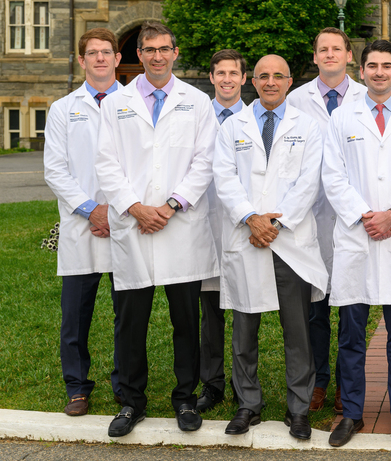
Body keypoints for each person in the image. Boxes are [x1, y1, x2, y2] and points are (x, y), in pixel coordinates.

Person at [95, 20, 218, 437]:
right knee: (130, 322)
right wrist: (135, 208)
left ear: (175, 52)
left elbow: (205, 162)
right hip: (134, 227)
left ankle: (185, 398)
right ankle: (131, 401)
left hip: (179, 226)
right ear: (139, 55)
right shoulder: (116, 103)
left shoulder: (197, 101)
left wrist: (168, 206)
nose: (158, 56)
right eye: (150, 49)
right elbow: (106, 162)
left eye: (165, 48)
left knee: (186, 322)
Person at [212, 54, 328, 441]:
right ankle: (248, 404)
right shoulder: (233, 127)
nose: (271, 82)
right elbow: (224, 177)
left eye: (278, 76)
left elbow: (310, 181)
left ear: (290, 81)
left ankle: (298, 409)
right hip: (248, 237)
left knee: (297, 332)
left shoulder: (308, 127)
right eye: (263, 76)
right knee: (244, 330)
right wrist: (251, 218)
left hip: (288, 240)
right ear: (253, 81)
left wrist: (275, 224)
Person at [321, 39, 391, 448]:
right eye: (372, 66)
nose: (380, 72)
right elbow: (332, 175)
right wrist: (365, 215)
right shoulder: (341, 117)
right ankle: (351, 413)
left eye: (387, 65)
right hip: (357, 236)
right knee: (351, 335)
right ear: (361, 71)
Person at [286, 27, 367, 415]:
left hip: (355, 218)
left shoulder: (369, 98)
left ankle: (346, 385)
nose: (330, 54)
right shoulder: (295, 100)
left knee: (352, 309)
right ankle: (318, 381)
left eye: (337, 48)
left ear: (349, 55)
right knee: (314, 309)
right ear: (315, 56)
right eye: (323, 49)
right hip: (311, 219)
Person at [43, 27, 123, 417]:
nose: (100, 58)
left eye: (107, 52)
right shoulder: (63, 108)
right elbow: (55, 171)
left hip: (125, 222)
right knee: (75, 317)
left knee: (127, 313)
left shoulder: (133, 104)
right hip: (81, 225)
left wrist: (114, 209)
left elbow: (141, 165)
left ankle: (126, 383)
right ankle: (77, 387)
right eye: (92, 53)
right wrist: (92, 209)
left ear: (118, 58)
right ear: (82, 60)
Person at [196, 48, 248, 414]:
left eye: (234, 73)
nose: (227, 79)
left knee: (246, 309)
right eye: (221, 73)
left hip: (243, 227)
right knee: (210, 312)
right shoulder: (198, 117)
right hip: (203, 225)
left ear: (244, 79)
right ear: (211, 78)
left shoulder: (256, 119)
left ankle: (243, 383)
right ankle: (211, 383)